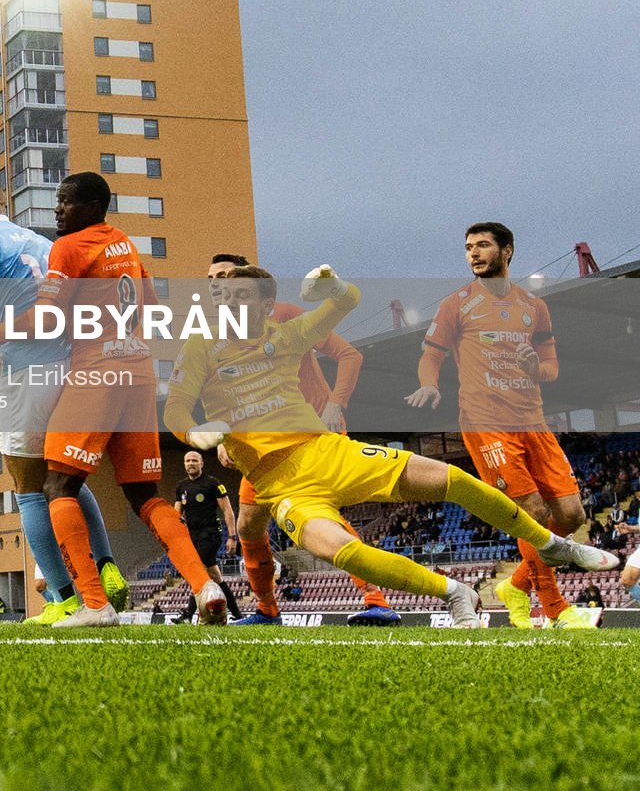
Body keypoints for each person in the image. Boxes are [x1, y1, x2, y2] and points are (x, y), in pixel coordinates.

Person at [168, 263, 616, 627]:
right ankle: (454, 593)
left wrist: (332, 285)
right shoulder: (200, 347)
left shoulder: (286, 336)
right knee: (340, 550)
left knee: (452, 479)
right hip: (280, 486)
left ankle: (554, 545)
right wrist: (194, 432)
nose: (227, 301)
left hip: (329, 454)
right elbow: (175, 411)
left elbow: (346, 302)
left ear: (267, 306)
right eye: (221, 295)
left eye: (241, 295)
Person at [37, 173, 225, 628]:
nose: (57, 210)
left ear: (92, 205)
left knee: (58, 486)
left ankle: (95, 605)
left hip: (97, 373)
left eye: (64, 202)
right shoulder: (126, 243)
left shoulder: (68, 247)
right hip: (138, 374)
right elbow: (151, 306)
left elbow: (45, 316)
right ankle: (206, 585)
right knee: (144, 493)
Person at [0, 179, 127, 625]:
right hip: (68, 366)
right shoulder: (45, 243)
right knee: (66, 479)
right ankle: (107, 571)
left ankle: (64, 597)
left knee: (28, 490)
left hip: (26, 370)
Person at [407, 222, 595, 629]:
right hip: (485, 421)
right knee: (530, 510)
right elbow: (432, 354)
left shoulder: (534, 307)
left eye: (483, 246)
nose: (474, 253)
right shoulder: (455, 304)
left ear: (507, 251)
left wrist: (535, 367)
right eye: (469, 247)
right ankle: (557, 610)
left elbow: (551, 368)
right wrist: (428, 384)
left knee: (571, 515)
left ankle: (517, 586)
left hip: (532, 419)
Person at [207, 253, 397, 627]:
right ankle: (266, 610)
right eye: (212, 278)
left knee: (321, 518)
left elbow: (348, 354)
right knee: (247, 526)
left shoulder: (287, 315)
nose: (217, 283)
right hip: (266, 446)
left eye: (227, 276)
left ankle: (377, 600)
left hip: (311, 435)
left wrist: (334, 405)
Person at [174, 450, 239, 619]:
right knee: (216, 577)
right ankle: (238, 615)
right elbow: (177, 514)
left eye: (194, 460)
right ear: (184, 464)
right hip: (192, 536)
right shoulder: (181, 487)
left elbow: (228, 510)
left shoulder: (212, 483)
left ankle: (188, 614)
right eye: (187, 460)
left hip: (210, 534)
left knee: (199, 569)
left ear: (202, 463)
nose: (191, 463)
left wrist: (232, 537)